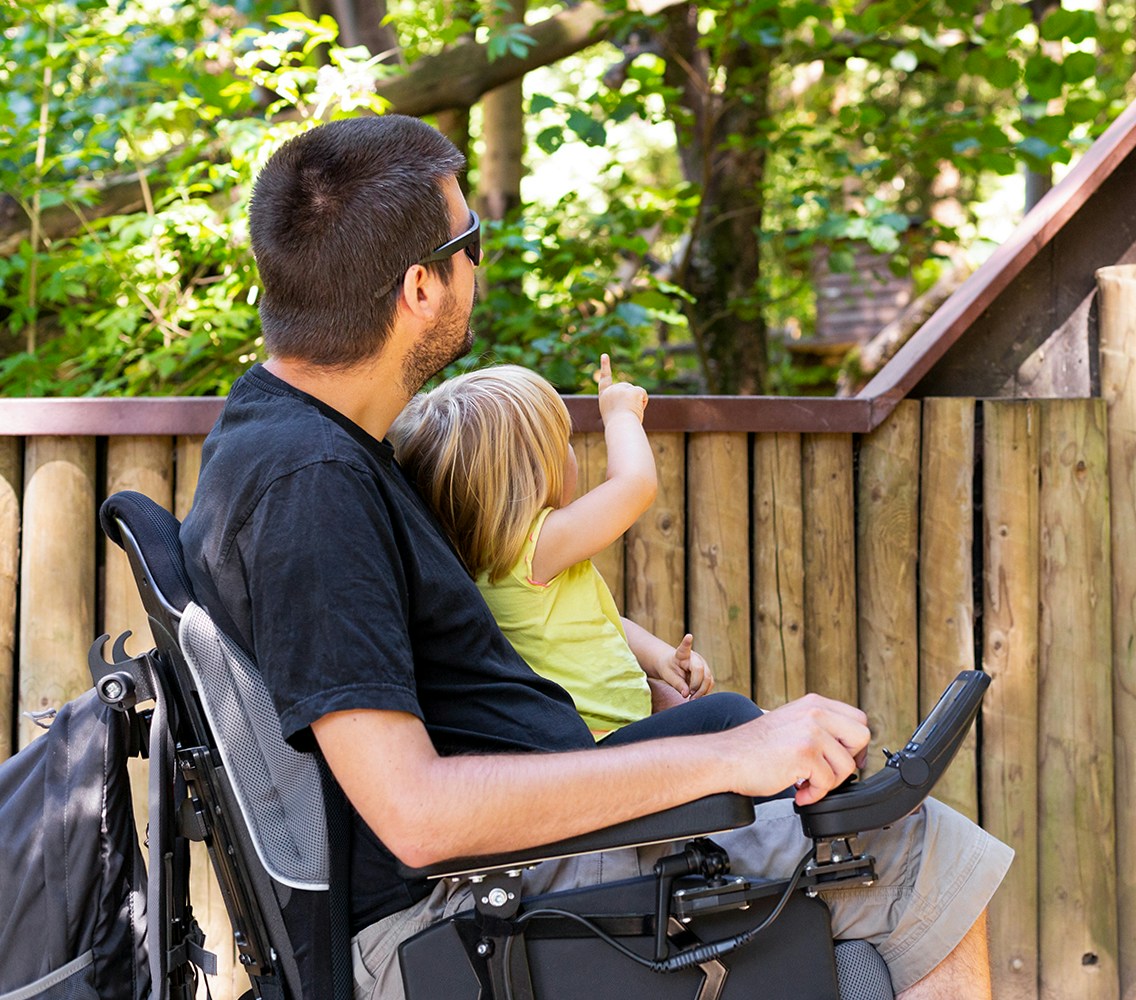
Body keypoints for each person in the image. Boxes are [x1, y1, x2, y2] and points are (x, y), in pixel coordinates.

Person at [179, 114, 1011, 1000]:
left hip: (512, 874)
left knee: (849, 803)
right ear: (421, 286)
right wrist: (735, 757)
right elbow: (415, 815)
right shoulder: (313, 489)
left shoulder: (299, 441)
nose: (477, 265)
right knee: (914, 848)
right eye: (470, 242)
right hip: (472, 912)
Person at [390, 358, 715, 738]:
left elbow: (601, 621)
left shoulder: (480, 559)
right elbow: (635, 485)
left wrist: (660, 658)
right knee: (732, 714)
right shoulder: (534, 549)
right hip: (602, 742)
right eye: (565, 442)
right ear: (534, 472)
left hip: (599, 738)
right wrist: (621, 414)